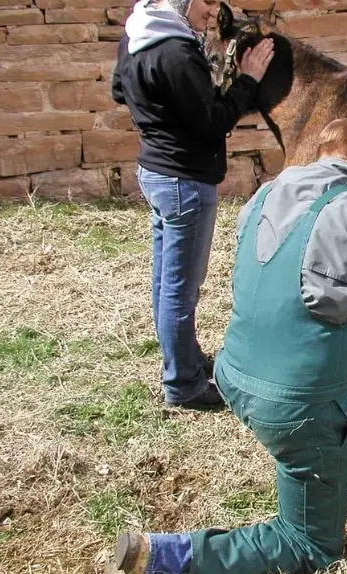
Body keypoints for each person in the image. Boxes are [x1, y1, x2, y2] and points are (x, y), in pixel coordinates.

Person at [102, 118, 347, 574]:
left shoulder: (263, 195)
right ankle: (161, 558)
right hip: (295, 407)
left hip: (233, 376)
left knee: (333, 377)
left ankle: (332, 455)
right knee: (308, 543)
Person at [111, 0, 274, 409]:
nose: (211, 11)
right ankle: (183, 385)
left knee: (167, 284)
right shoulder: (178, 52)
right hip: (184, 181)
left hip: (154, 171)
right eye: (203, 1)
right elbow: (214, 120)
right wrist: (249, 79)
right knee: (181, 291)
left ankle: (182, 360)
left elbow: (119, 89)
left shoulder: (138, 34)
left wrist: (158, 119)